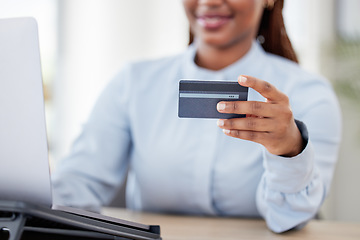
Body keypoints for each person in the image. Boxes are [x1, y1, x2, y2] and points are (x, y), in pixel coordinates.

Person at [52, 0, 342, 233]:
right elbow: (77, 184)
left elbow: (289, 218)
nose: (210, 2)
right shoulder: (134, 82)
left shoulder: (309, 93)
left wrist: (289, 150)